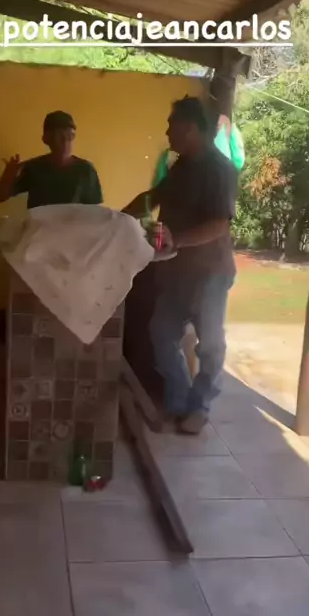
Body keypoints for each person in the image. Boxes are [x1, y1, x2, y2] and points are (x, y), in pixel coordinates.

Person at [123, 96, 237, 435]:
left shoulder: (220, 170)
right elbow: (152, 197)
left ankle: (199, 407)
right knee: (161, 333)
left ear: (190, 128)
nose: (167, 132)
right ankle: (179, 400)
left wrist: (179, 240)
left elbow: (220, 224)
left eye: (171, 125)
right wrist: (117, 217)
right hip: (177, 271)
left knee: (210, 345)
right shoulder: (180, 166)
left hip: (210, 273)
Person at [0, 110, 103, 207]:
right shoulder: (33, 168)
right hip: (39, 225)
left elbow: (94, 212)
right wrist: (8, 176)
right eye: (59, 136)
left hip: (73, 225)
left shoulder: (86, 170)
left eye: (70, 135)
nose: (65, 141)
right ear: (46, 139)